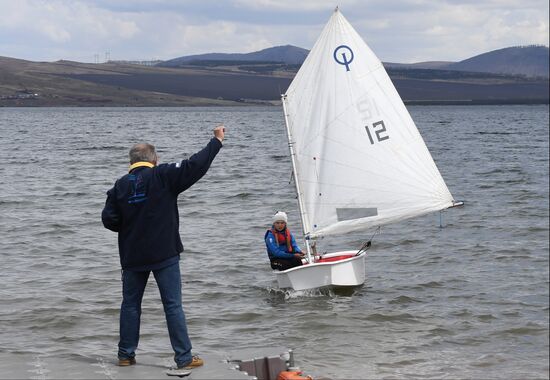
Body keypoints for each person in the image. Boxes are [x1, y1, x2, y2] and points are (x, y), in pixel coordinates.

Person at [101, 125, 225, 372]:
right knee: (172, 305)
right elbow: (194, 165)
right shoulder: (163, 175)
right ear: (154, 160)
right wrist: (216, 142)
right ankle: (183, 358)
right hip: (164, 253)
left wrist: (131, 225)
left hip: (132, 255)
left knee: (130, 305)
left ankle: (125, 355)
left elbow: (109, 220)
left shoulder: (119, 186)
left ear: (131, 162)